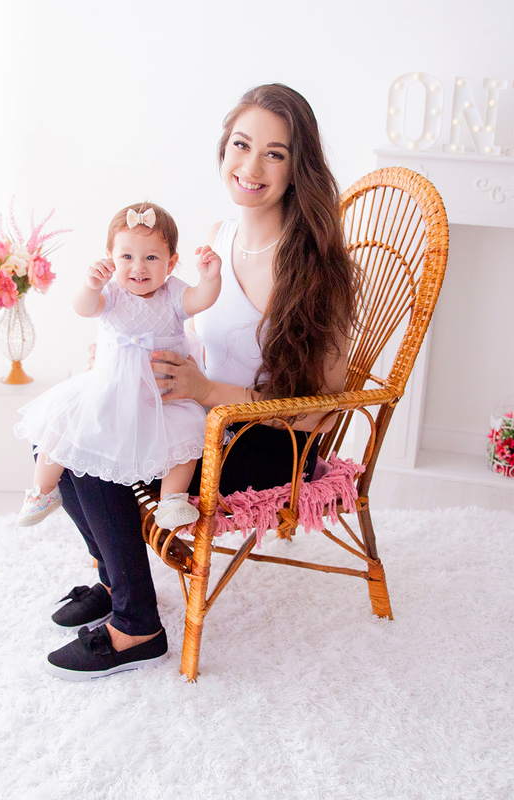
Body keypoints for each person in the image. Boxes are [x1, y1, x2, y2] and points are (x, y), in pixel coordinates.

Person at [43, 84, 358, 681]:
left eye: (275, 153)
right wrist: (125, 355)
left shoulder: (313, 268)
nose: (251, 166)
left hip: (265, 441)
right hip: (199, 412)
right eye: (242, 145)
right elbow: (184, 325)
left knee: (91, 455)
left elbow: (317, 411)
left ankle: (137, 626)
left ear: (299, 167)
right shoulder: (221, 235)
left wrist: (206, 392)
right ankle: (115, 580)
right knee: (59, 430)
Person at [13, 202, 222, 531]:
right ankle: (43, 490)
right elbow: (83, 308)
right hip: (109, 391)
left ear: (171, 263)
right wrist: (91, 285)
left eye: (151, 257)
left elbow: (201, 300)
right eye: (127, 256)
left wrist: (210, 278)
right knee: (61, 423)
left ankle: (172, 500)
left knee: (187, 432)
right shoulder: (110, 293)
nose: (138, 267)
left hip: (162, 399)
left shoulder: (173, 295)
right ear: (110, 258)